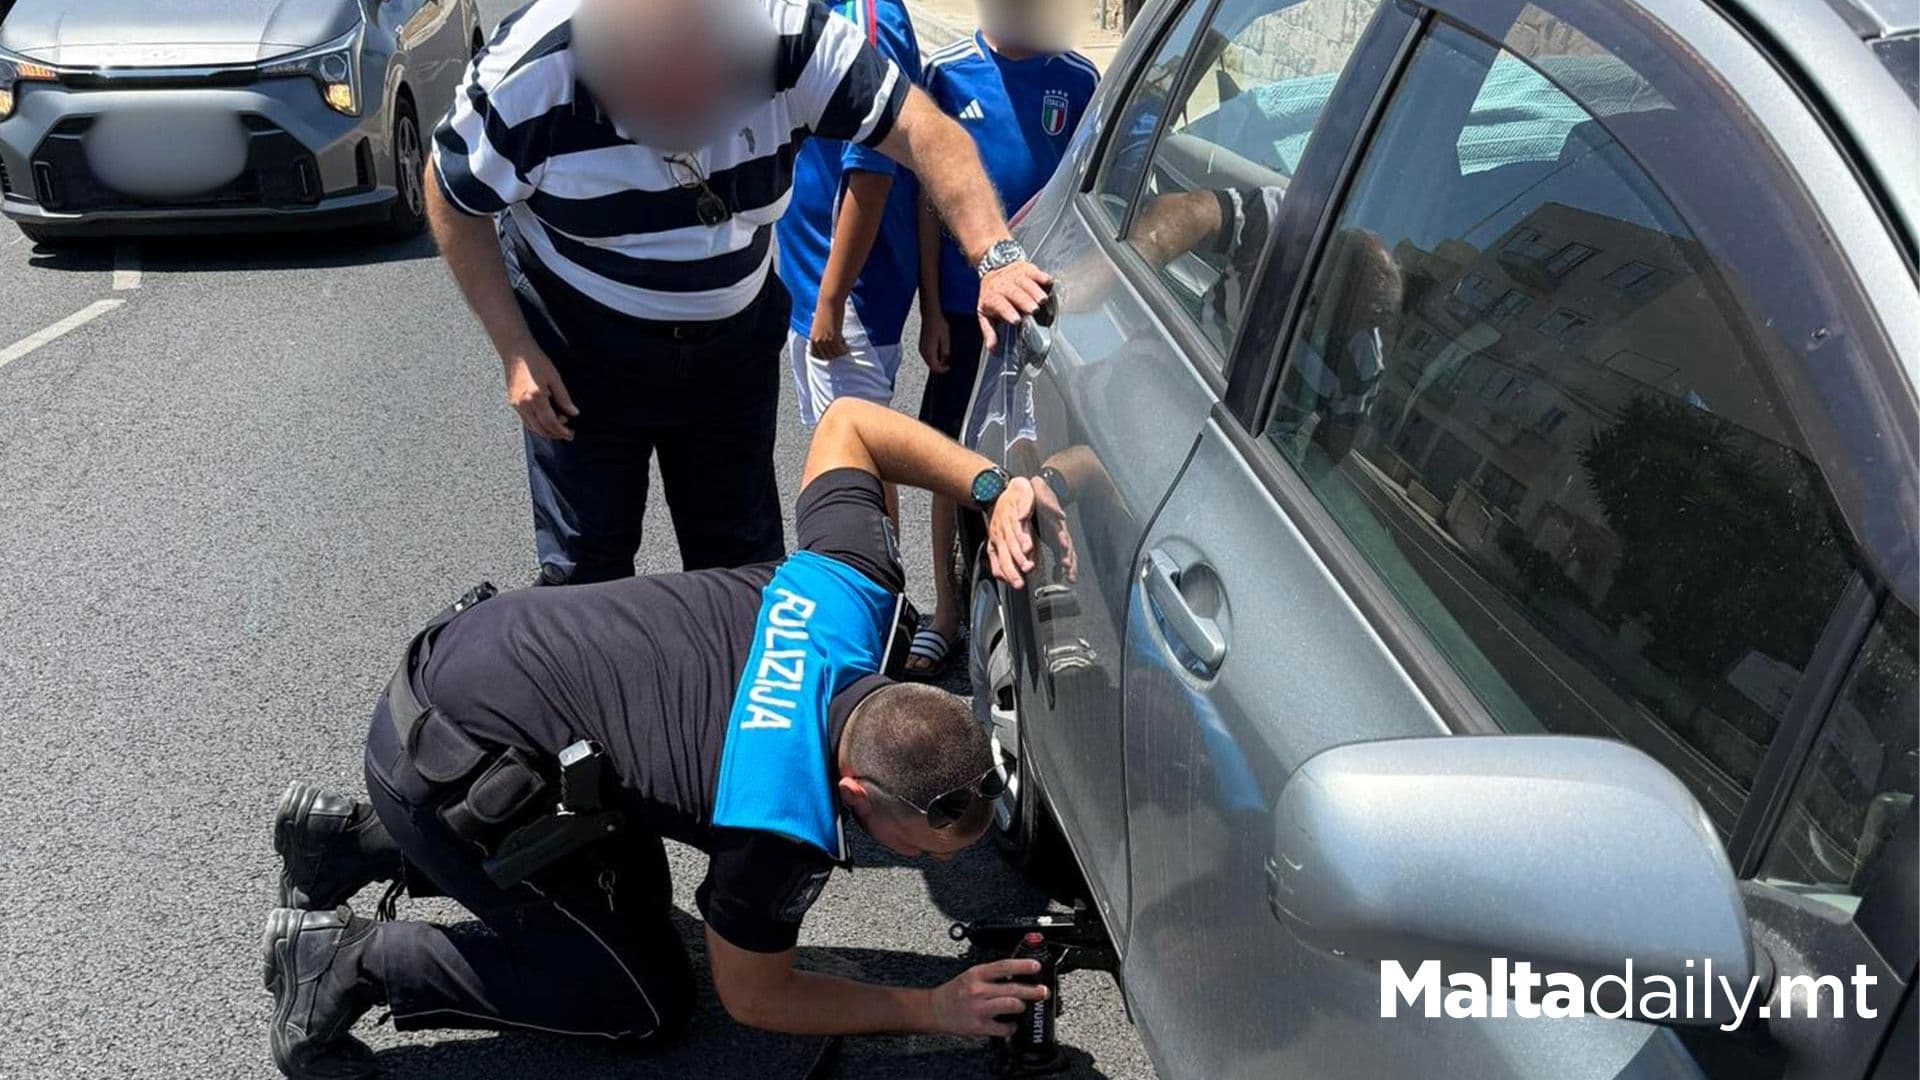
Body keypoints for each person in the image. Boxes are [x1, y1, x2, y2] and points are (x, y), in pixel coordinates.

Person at [259, 399, 1056, 1080]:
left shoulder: (855, 590)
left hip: (463, 662)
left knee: (634, 888)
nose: (932, 862)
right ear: (854, 793)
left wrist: (993, 487)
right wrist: (931, 1007)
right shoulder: (779, 821)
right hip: (440, 765)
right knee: (640, 999)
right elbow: (757, 996)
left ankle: (342, 844)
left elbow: (851, 425)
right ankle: (347, 963)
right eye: (920, 847)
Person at [429, 0, 1052, 586]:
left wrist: (993, 257)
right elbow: (450, 192)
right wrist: (514, 349)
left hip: (731, 339)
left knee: (740, 567)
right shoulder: (535, 66)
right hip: (581, 341)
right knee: (587, 574)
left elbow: (924, 131)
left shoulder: (786, 38)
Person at [907, 0, 1097, 675]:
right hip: (964, 309)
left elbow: (1088, 198)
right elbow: (930, 206)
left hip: (1043, 311)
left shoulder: (1076, 81)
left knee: (1032, 454)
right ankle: (947, 612)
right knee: (944, 455)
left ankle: (1039, 608)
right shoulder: (948, 75)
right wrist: (931, 309)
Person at [776, 0, 925, 448]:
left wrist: (833, 298)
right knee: (837, 451)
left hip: (850, 297)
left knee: (859, 460)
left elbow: (872, 174)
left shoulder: (867, 17)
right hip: (811, 283)